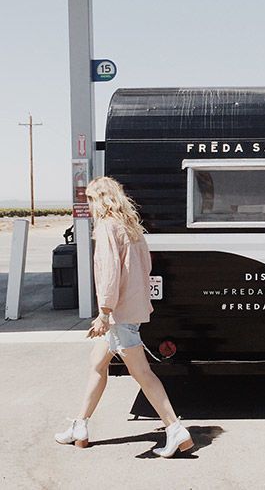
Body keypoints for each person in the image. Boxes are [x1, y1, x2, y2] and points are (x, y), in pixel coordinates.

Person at [54, 176, 193, 457]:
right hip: (131, 309)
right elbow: (146, 268)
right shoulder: (132, 228)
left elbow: (108, 272)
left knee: (142, 373)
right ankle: (80, 425)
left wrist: (104, 313)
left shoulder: (107, 227)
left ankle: (175, 428)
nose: (89, 206)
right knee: (97, 364)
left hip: (118, 314)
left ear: (101, 199)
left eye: (91, 200)